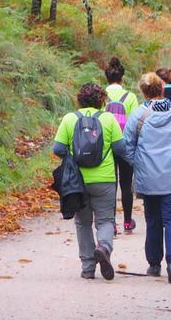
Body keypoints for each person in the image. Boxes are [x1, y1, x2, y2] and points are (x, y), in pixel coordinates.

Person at [118, 73, 171, 284]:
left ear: (143, 92)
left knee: (153, 219)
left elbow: (125, 146)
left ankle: (154, 264)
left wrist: (138, 162)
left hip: (148, 179)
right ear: (162, 89)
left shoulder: (138, 114)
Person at [53, 83, 125, 281]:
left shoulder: (69, 119)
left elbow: (57, 148)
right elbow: (120, 149)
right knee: (106, 220)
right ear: (101, 99)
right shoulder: (108, 119)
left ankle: (87, 268)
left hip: (77, 182)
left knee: (82, 223)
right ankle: (103, 247)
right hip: (105, 179)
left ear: (79, 99)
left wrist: (72, 156)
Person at [104, 58, 141, 235]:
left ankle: (111, 223)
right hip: (126, 145)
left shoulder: (101, 96)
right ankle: (127, 221)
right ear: (122, 78)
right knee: (126, 184)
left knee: (111, 184)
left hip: (106, 146)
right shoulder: (131, 97)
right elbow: (135, 122)